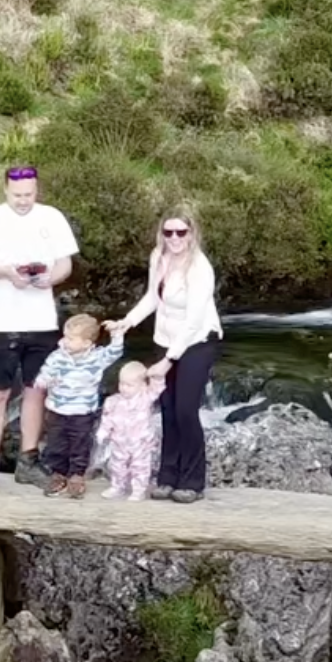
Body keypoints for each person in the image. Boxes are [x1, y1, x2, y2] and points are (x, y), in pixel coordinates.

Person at [0, 165, 78, 494]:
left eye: (29, 194)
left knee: (36, 390)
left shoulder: (52, 218)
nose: (24, 201)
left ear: (37, 190)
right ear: (5, 191)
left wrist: (47, 279)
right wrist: (5, 272)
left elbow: (65, 264)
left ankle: (29, 459)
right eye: (17, 196)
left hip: (41, 320)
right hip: (1, 321)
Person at [108, 213, 221, 504]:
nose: (174, 239)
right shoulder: (158, 256)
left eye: (180, 233)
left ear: (192, 234)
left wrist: (169, 360)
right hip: (165, 340)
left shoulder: (200, 268)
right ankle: (167, 477)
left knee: (185, 410)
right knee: (168, 411)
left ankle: (192, 481)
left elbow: (194, 320)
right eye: (168, 232)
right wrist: (127, 321)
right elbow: (152, 297)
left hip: (197, 342)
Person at [29, 314, 121, 498]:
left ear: (87, 343)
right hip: (57, 410)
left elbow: (115, 351)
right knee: (56, 445)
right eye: (64, 336)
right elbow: (45, 373)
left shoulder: (96, 358)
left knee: (80, 445)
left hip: (82, 412)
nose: (64, 341)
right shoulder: (57, 357)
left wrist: (117, 333)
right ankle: (58, 475)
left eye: (71, 338)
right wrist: (42, 381)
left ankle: (77, 476)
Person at [97, 358, 169, 502]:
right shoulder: (113, 401)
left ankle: (139, 490)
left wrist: (156, 376)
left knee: (140, 466)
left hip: (140, 442)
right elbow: (107, 418)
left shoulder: (145, 397)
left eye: (130, 385)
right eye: (122, 384)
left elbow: (158, 387)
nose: (124, 388)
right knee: (117, 465)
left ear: (142, 386)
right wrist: (103, 431)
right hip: (119, 440)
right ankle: (117, 487)